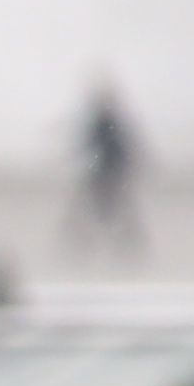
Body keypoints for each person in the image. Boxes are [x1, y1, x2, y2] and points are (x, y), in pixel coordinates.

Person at [69, 82, 147, 260]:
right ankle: (119, 239)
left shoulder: (109, 124)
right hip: (107, 172)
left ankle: (125, 240)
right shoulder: (106, 124)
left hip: (109, 171)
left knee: (114, 207)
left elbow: (120, 147)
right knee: (111, 207)